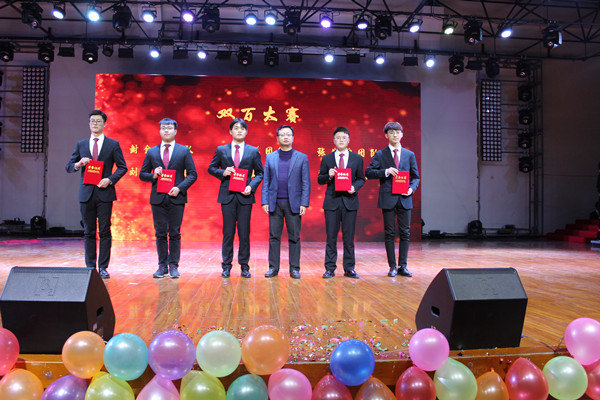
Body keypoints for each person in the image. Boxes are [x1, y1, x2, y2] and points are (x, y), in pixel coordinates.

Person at [65, 110, 128, 279]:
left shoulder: (112, 144)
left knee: (105, 231)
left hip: (104, 193)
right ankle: (90, 267)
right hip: (86, 193)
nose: (95, 124)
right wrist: (78, 164)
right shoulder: (81, 144)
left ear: (104, 124)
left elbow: (123, 167)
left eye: (98, 121)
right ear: (89, 123)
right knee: (88, 231)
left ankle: (103, 267)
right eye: (92, 121)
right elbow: (69, 167)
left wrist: (110, 180)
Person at [140, 118, 197, 279]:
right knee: (160, 233)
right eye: (163, 128)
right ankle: (162, 266)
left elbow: (192, 174)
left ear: (175, 131)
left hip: (176, 197)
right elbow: (142, 174)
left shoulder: (183, 151)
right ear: (159, 131)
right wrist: (153, 175)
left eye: (169, 128)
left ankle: (173, 265)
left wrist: (180, 188)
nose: (166, 130)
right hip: (158, 198)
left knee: (174, 233)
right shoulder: (152, 152)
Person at [208, 118, 264, 278]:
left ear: (246, 132)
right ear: (230, 131)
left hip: (245, 196)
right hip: (227, 196)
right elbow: (211, 168)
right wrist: (223, 172)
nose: (239, 130)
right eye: (236, 128)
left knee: (244, 233)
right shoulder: (221, 150)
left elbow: (260, 173)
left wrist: (251, 187)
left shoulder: (253, 151)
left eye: (242, 128)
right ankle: (226, 266)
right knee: (228, 233)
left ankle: (244, 266)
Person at [365, 121, 420, 277]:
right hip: (388, 198)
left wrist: (411, 189)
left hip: (405, 198)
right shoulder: (380, 154)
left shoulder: (409, 155)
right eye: (391, 133)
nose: (394, 135)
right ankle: (392, 267)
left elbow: (416, 177)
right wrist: (386, 171)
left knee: (405, 233)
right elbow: (368, 172)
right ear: (386, 136)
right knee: (389, 233)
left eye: (397, 132)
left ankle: (403, 265)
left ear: (402, 134)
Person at [262, 125, 311, 279]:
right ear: (277, 138)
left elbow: (306, 182)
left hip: (294, 204)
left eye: (288, 134)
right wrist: (265, 201)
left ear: (293, 138)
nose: (285, 137)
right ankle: (273, 268)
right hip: (274, 203)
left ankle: (294, 268)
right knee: (274, 237)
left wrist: (304, 203)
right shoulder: (270, 157)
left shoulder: (302, 157)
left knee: (294, 237)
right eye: (282, 134)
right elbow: (266, 181)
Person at [317, 126, 365, 279]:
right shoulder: (327, 158)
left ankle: (349, 268)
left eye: (344, 137)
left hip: (350, 202)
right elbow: (320, 179)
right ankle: (330, 268)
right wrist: (329, 175)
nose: (341, 140)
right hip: (332, 202)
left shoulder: (357, 158)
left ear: (349, 140)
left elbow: (361, 179)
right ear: (334, 140)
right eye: (338, 138)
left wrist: (354, 187)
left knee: (348, 238)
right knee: (331, 237)